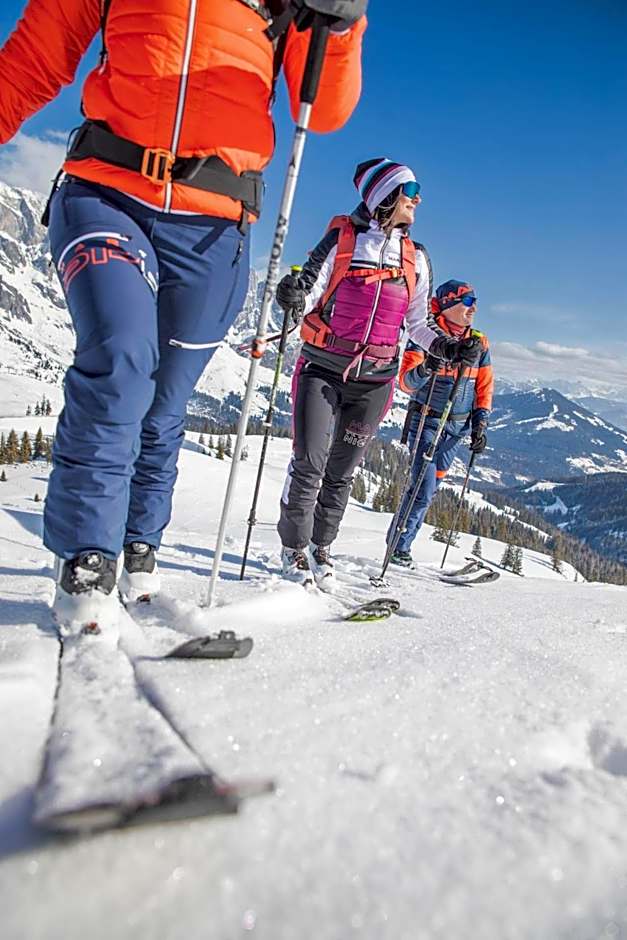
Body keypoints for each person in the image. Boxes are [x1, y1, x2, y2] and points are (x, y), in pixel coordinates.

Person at [0, 0, 367, 628]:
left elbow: (326, 108)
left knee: (166, 402)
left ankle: (141, 543)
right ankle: (87, 560)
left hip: (214, 229)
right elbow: (33, 60)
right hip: (105, 192)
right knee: (119, 359)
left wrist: (342, 21)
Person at [274, 160, 482, 586]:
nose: (418, 199)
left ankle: (321, 547)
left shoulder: (416, 257)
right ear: (386, 195)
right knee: (309, 462)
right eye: (411, 190)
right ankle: (294, 550)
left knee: (341, 470)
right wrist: (292, 294)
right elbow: (310, 291)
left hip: (375, 381)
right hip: (323, 369)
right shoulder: (342, 239)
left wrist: (449, 347)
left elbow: (418, 323)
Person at [387, 279, 494, 568]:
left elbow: (484, 387)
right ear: (448, 305)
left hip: (455, 430)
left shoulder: (479, 342)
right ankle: (398, 548)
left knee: (429, 491)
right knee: (422, 489)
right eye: (468, 302)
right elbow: (406, 383)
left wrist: (480, 424)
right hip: (427, 422)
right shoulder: (426, 336)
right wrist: (426, 367)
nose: (474, 308)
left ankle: (399, 545)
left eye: (475, 302)